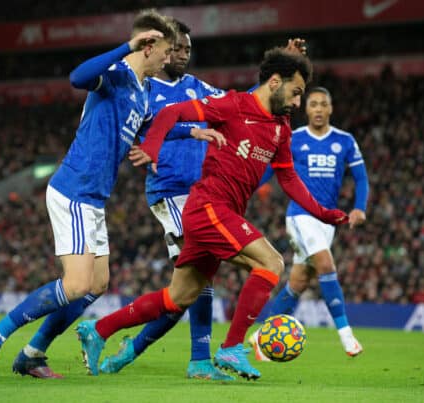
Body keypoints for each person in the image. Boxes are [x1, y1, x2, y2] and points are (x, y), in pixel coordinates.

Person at [76, 48, 349, 380]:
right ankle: (231, 348)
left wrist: (321, 212)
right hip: (208, 207)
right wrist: (152, 147)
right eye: (295, 92)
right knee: (272, 263)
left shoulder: (280, 128)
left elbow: (288, 177)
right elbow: (171, 113)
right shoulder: (234, 105)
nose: (297, 102)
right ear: (275, 82)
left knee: (178, 297)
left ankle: (99, 328)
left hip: (220, 212)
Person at [0, 10, 178, 381]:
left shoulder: (144, 93)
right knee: (77, 284)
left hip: (94, 197)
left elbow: (152, 135)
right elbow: (78, 77)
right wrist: (125, 47)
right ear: (148, 47)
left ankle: (32, 354)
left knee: (96, 285)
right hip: (75, 188)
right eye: (166, 50)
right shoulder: (115, 76)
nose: (169, 58)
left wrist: (193, 134)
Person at [97, 19, 233, 381]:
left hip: (202, 192)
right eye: (176, 49)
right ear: (162, 49)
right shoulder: (146, 89)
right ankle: (200, 360)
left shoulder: (197, 88)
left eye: (188, 50)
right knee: (198, 278)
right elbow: (147, 130)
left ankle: (126, 345)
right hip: (170, 191)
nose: (183, 55)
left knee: (186, 289)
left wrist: (269, 86)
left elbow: (239, 104)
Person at [248, 87, 369, 361]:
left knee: (300, 281)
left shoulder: (345, 141)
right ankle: (347, 336)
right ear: (307, 109)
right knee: (326, 265)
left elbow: (361, 178)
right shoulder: (293, 138)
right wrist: (246, 188)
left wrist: (359, 208)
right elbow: (269, 170)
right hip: (300, 215)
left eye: (322, 104)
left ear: (330, 109)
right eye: (312, 104)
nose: (317, 109)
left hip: (327, 221)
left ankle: (259, 337)